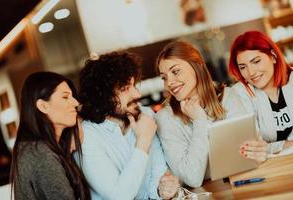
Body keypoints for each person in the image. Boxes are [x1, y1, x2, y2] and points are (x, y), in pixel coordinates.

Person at [78, 52, 180, 200]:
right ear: (102, 96)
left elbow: (158, 173)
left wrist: (162, 189)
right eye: (125, 88)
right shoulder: (87, 137)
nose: (137, 94)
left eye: (134, 85)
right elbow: (119, 196)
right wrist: (143, 142)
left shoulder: (145, 114)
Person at [154, 40, 249, 188]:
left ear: (197, 65)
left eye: (175, 71)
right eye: (164, 77)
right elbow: (192, 177)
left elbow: (247, 155)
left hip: (243, 184)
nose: (169, 83)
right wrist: (199, 121)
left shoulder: (228, 97)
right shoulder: (164, 118)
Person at [10, 72, 90, 200]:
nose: (75, 102)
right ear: (43, 106)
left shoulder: (42, 148)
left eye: (73, 96)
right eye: (65, 97)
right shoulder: (39, 152)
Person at [229, 30, 293, 157]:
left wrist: (270, 147)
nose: (251, 72)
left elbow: (263, 147)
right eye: (243, 67)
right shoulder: (239, 93)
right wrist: (290, 144)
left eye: (256, 61)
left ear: (273, 56)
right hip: (271, 168)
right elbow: (252, 147)